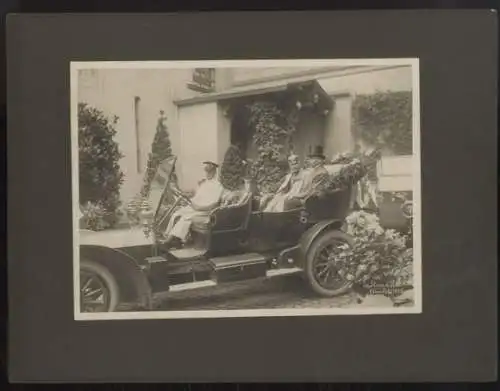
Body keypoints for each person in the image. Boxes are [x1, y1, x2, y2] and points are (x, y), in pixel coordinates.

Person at [162, 161, 224, 247]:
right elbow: (198, 197)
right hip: (196, 209)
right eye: (206, 171)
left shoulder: (218, 186)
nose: (207, 174)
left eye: (210, 172)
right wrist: (190, 201)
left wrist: (199, 208)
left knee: (186, 218)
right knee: (177, 213)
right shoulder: (204, 183)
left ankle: (169, 241)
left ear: (214, 171)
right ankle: (173, 238)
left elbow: (214, 204)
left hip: (206, 212)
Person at [281, 146, 329, 210]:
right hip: (308, 197)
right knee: (282, 199)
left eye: (315, 158)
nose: (312, 161)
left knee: (288, 202)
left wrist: (296, 196)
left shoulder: (321, 173)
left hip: (314, 200)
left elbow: (313, 191)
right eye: (311, 158)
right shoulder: (312, 171)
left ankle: (285, 218)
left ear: (320, 160)